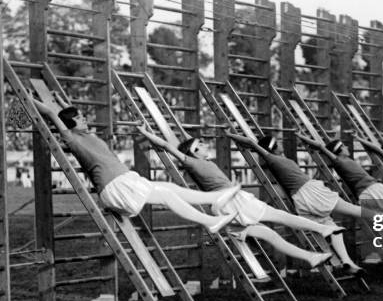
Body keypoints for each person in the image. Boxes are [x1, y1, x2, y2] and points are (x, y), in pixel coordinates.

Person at [136, 125, 343, 268]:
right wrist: (144, 132)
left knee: (270, 234)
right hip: (231, 201)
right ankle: (322, 229)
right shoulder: (192, 162)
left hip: (228, 204)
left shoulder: (202, 162)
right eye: (201, 143)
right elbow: (167, 146)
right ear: (194, 150)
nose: (206, 145)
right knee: (279, 216)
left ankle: (311, 256)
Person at [32, 92, 239, 234]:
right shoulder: (72, 138)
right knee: (167, 195)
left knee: (169, 187)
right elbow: (52, 114)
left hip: (125, 180)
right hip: (115, 187)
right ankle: (211, 221)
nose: (85, 119)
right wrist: (28, 98)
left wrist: (61, 101)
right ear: (71, 124)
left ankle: (214, 197)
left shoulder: (87, 134)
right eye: (80, 118)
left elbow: (66, 111)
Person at [225, 132, 366, 274]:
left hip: (303, 197)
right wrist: (229, 134)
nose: (281, 143)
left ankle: (346, 262)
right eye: (277, 143)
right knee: (354, 211)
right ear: (272, 147)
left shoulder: (279, 158)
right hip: (311, 192)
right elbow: (251, 143)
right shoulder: (273, 158)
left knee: (332, 229)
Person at [297, 134, 383, 261]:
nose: (347, 147)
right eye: (343, 146)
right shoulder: (339, 160)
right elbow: (321, 147)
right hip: (372, 191)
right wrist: (301, 137)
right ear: (340, 150)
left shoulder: (343, 161)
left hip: (366, 195)